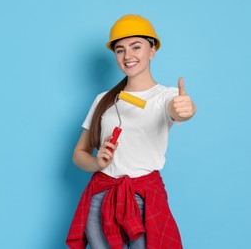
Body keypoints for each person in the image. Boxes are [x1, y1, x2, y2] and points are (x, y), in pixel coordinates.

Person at [66, 14, 196, 249]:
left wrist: (185, 109)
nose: (128, 56)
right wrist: (97, 163)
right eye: (120, 50)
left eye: (136, 47)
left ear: (152, 50)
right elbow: (79, 154)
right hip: (101, 197)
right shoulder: (103, 100)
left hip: (143, 200)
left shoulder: (164, 97)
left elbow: (179, 111)